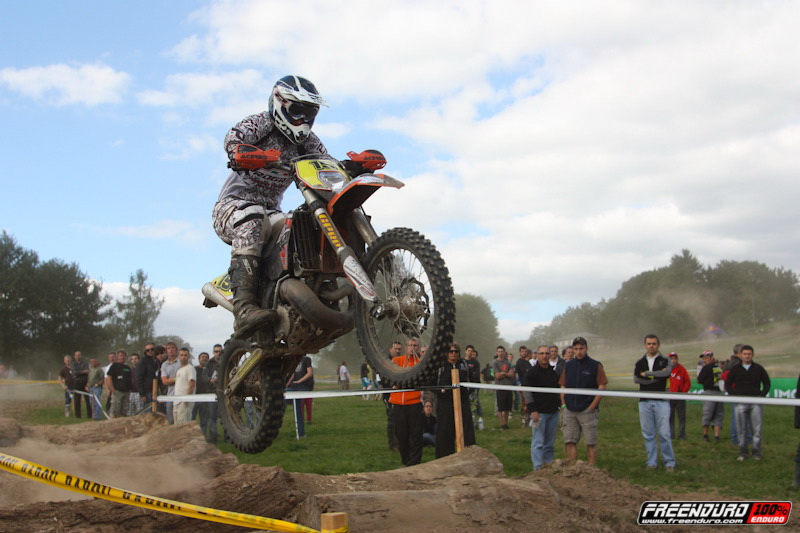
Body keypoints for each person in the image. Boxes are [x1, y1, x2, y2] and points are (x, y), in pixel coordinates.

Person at [560, 337, 608, 465]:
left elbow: (602, 386)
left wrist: (592, 406)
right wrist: (564, 403)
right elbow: (563, 385)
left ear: (586, 348)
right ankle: (571, 468)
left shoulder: (595, 365)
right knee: (569, 440)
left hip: (587, 410)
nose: (579, 351)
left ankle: (591, 471)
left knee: (590, 442)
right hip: (570, 409)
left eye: (581, 348)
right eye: (576, 349)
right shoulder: (568, 366)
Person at [633, 334, 676, 471]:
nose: (651, 346)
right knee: (648, 433)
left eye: (654, 343)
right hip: (644, 401)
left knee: (664, 433)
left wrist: (648, 374)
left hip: (661, 400)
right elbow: (637, 379)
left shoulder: (665, 360)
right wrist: (655, 377)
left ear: (658, 345)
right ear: (645, 345)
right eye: (649, 343)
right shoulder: (639, 362)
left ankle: (669, 462)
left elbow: (667, 373)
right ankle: (651, 462)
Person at [724, 345, 770, 461]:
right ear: (741, 355)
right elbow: (728, 384)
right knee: (741, 430)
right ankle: (743, 453)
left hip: (755, 402)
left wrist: (762, 394)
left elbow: (767, 383)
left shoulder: (758, 368)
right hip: (740, 403)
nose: (747, 356)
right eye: (745, 354)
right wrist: (734, 396)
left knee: (757, 430)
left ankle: (757, 453)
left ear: (752, 355)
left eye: (749, 354)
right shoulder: (735, 369)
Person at [434, 343, 476, 458]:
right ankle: (443, 458)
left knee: (467, 429)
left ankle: (469, 455)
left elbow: (471, 380)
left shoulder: (463, 365)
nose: (453, 353)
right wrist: (439, 391)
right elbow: (432, 383)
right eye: (451, 351)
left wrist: (468, 392)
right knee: (444, 431)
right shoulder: (440, 365)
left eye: (456, 351)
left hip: (462, 401)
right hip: (445, 403)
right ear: (446, 353)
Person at [523, 346, 561, 470]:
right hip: (539, 414)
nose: (544, 356)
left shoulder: (553, 372)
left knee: (549, 444)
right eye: (541, 353)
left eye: (546, 353)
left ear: (550, 355)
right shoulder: (531, 373)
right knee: (538, 443)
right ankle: (538, 469)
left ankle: (548, 466)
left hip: (553, 412)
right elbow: (527, 393)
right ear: (537, 355)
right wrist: (533, 410)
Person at [389, 338, 424, 466]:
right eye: (410, 345)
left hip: (414, 403)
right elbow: (389, 379)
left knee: (416, 435)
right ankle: (405, 461)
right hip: (398, 403)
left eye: (415, 346)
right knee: (401, 435)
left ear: (418, 348)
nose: (412, 348)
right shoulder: (396, 361)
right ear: (406, 347)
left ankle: (414, 462)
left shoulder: (420, 363)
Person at [697, 350, 724, 442]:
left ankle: (705, 435)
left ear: (711, 357)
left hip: (709, 392)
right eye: (704, 358)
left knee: (707, 414)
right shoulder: (719, 367)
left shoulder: (706, 368)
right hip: (719, 392)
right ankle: (717, 436)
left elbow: (699, 380)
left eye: (706, 358)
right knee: (718, 414)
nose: (705, 360)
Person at [286, 355, 314, 438]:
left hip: (303, 386)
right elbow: (293, 374)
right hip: (294, 386)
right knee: (297, 410)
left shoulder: (306, 359)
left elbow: (309, 373)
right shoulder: (295, 359)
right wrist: (287, 383)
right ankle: (301, 433)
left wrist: (299, 381)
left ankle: (301, 433)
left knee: (298, 410)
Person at [384, 341, 403, 452]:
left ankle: (401, 443)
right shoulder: (385, 362)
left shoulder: (402, 361)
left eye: (400, 349)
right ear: (391, 349)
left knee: (401, 420)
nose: (398, 351)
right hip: (389, 394)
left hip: (400, 394)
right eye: (396, 349)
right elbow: (381, 378)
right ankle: (393, 444)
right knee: (392, 420)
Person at [667, 352, 691, 440]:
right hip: (669, 396)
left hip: (680, 396)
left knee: (681, 417)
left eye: (675, 359)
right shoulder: (666, 370)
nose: (673, 361)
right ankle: (671, 435)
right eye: (671, 359)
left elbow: (687, 381)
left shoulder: (682, 369)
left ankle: (681, 435)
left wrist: (683, 392)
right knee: (670, 417)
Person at [492, 346, 515, 430]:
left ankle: (506, 423)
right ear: (497, 352)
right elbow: (497, 375)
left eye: (502, 351)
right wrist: (506, 373)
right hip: (500, 387)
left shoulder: (508, 362)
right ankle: (501, 424)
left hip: (508, 386)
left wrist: (503, 373)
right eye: (499, 351)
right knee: (500, 407)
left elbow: (512, 374)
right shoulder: (495, 363)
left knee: (507, 407)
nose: (500, 353)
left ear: (504, 352)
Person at [204, 344, 223, 443]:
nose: (218, 353)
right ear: (213, 352)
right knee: (212, 416)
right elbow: (204, 376)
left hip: (223, 392)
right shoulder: (209, 363)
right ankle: (213, 437)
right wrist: (210, 380)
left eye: (220, 351)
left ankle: (228, 437)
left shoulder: (226, 361)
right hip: (211, 392)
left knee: (225, 416)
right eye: (216, 351)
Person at [105, 352, 132, 418]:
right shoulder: (114, 366)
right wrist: (113, 390)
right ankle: (112, 424)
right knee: (115, 410)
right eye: (120, 355)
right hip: (117, 391)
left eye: (123, 356)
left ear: (126, 357)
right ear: (117, 357)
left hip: (126, 392)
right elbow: (108, 378)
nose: (122, 357)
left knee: (124, 411)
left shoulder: (127, 368)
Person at [173, 348, 196, 424]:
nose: (183, 357)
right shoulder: (179, 370)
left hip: (184, 402)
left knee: (184, 427)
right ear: (178, 356)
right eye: (181, 355)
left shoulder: (190, 368)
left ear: (188, 356)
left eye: (185, 355)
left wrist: (186, 400)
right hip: (176, 402)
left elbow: (192, 385)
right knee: (177, 427)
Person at [463, 345, 484, 430]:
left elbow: (476, 375)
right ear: (465, 351)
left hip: (473, 388)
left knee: (473, 406)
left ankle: (473, 424)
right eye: (468, 350)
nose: (470, 352)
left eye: (471, 351)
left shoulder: (475, 363)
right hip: (464, 387)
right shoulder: (462, 362)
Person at [160, 342, 181, 424]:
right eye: (168, 348)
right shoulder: (164, 365)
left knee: (181, 420)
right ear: (166, 351)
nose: (171, 350)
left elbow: (185, 378)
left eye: (173, 348)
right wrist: (177, 379)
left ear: (176, 350)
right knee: (170, 420)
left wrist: (171, 380)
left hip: (181, 395)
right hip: (170, 395)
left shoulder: (181, 361)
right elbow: (165, 381)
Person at [135, 342, 159, 411]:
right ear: (145, 351)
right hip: (147, 392)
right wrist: (142, 394)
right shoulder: (142, 362)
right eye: (148, 350)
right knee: (148, 413)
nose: (150, 351)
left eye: (152, 349)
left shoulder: (156, 360)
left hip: (156, 390)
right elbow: (138, 378)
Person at [515, 346, 533, 428]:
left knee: (529, 403)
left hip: (530, 385)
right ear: (519, 352)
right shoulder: (519, 362)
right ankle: (524, 420)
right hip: (524, 385)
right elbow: (526, 373)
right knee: (524, 403)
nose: (524, 353)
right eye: (522, 351)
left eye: (525, 351)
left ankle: (528, 419)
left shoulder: (527, 362)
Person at [194, 352, 212, 434]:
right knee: (192, 419)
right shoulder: (194, 369)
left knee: (204, 420)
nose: (204, 358)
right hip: (194, 397)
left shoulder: (210, 370)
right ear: (199, 359)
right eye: (202, 357)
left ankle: (203, 437)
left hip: (205, 397)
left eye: (206, 357)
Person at [70, 350, 91, 419]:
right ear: (74, 356)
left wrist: (80, 372)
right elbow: (74, 373)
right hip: (77, 383)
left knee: (88, 400)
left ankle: (89, 415)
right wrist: (83, 371)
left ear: (81, 356)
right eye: (76, 355)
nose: (78, 356)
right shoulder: (73, 364)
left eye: (79, 355)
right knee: (77, 400)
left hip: (85, 383)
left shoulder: (85, 363)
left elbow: (87, 371)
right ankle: (78, 416)